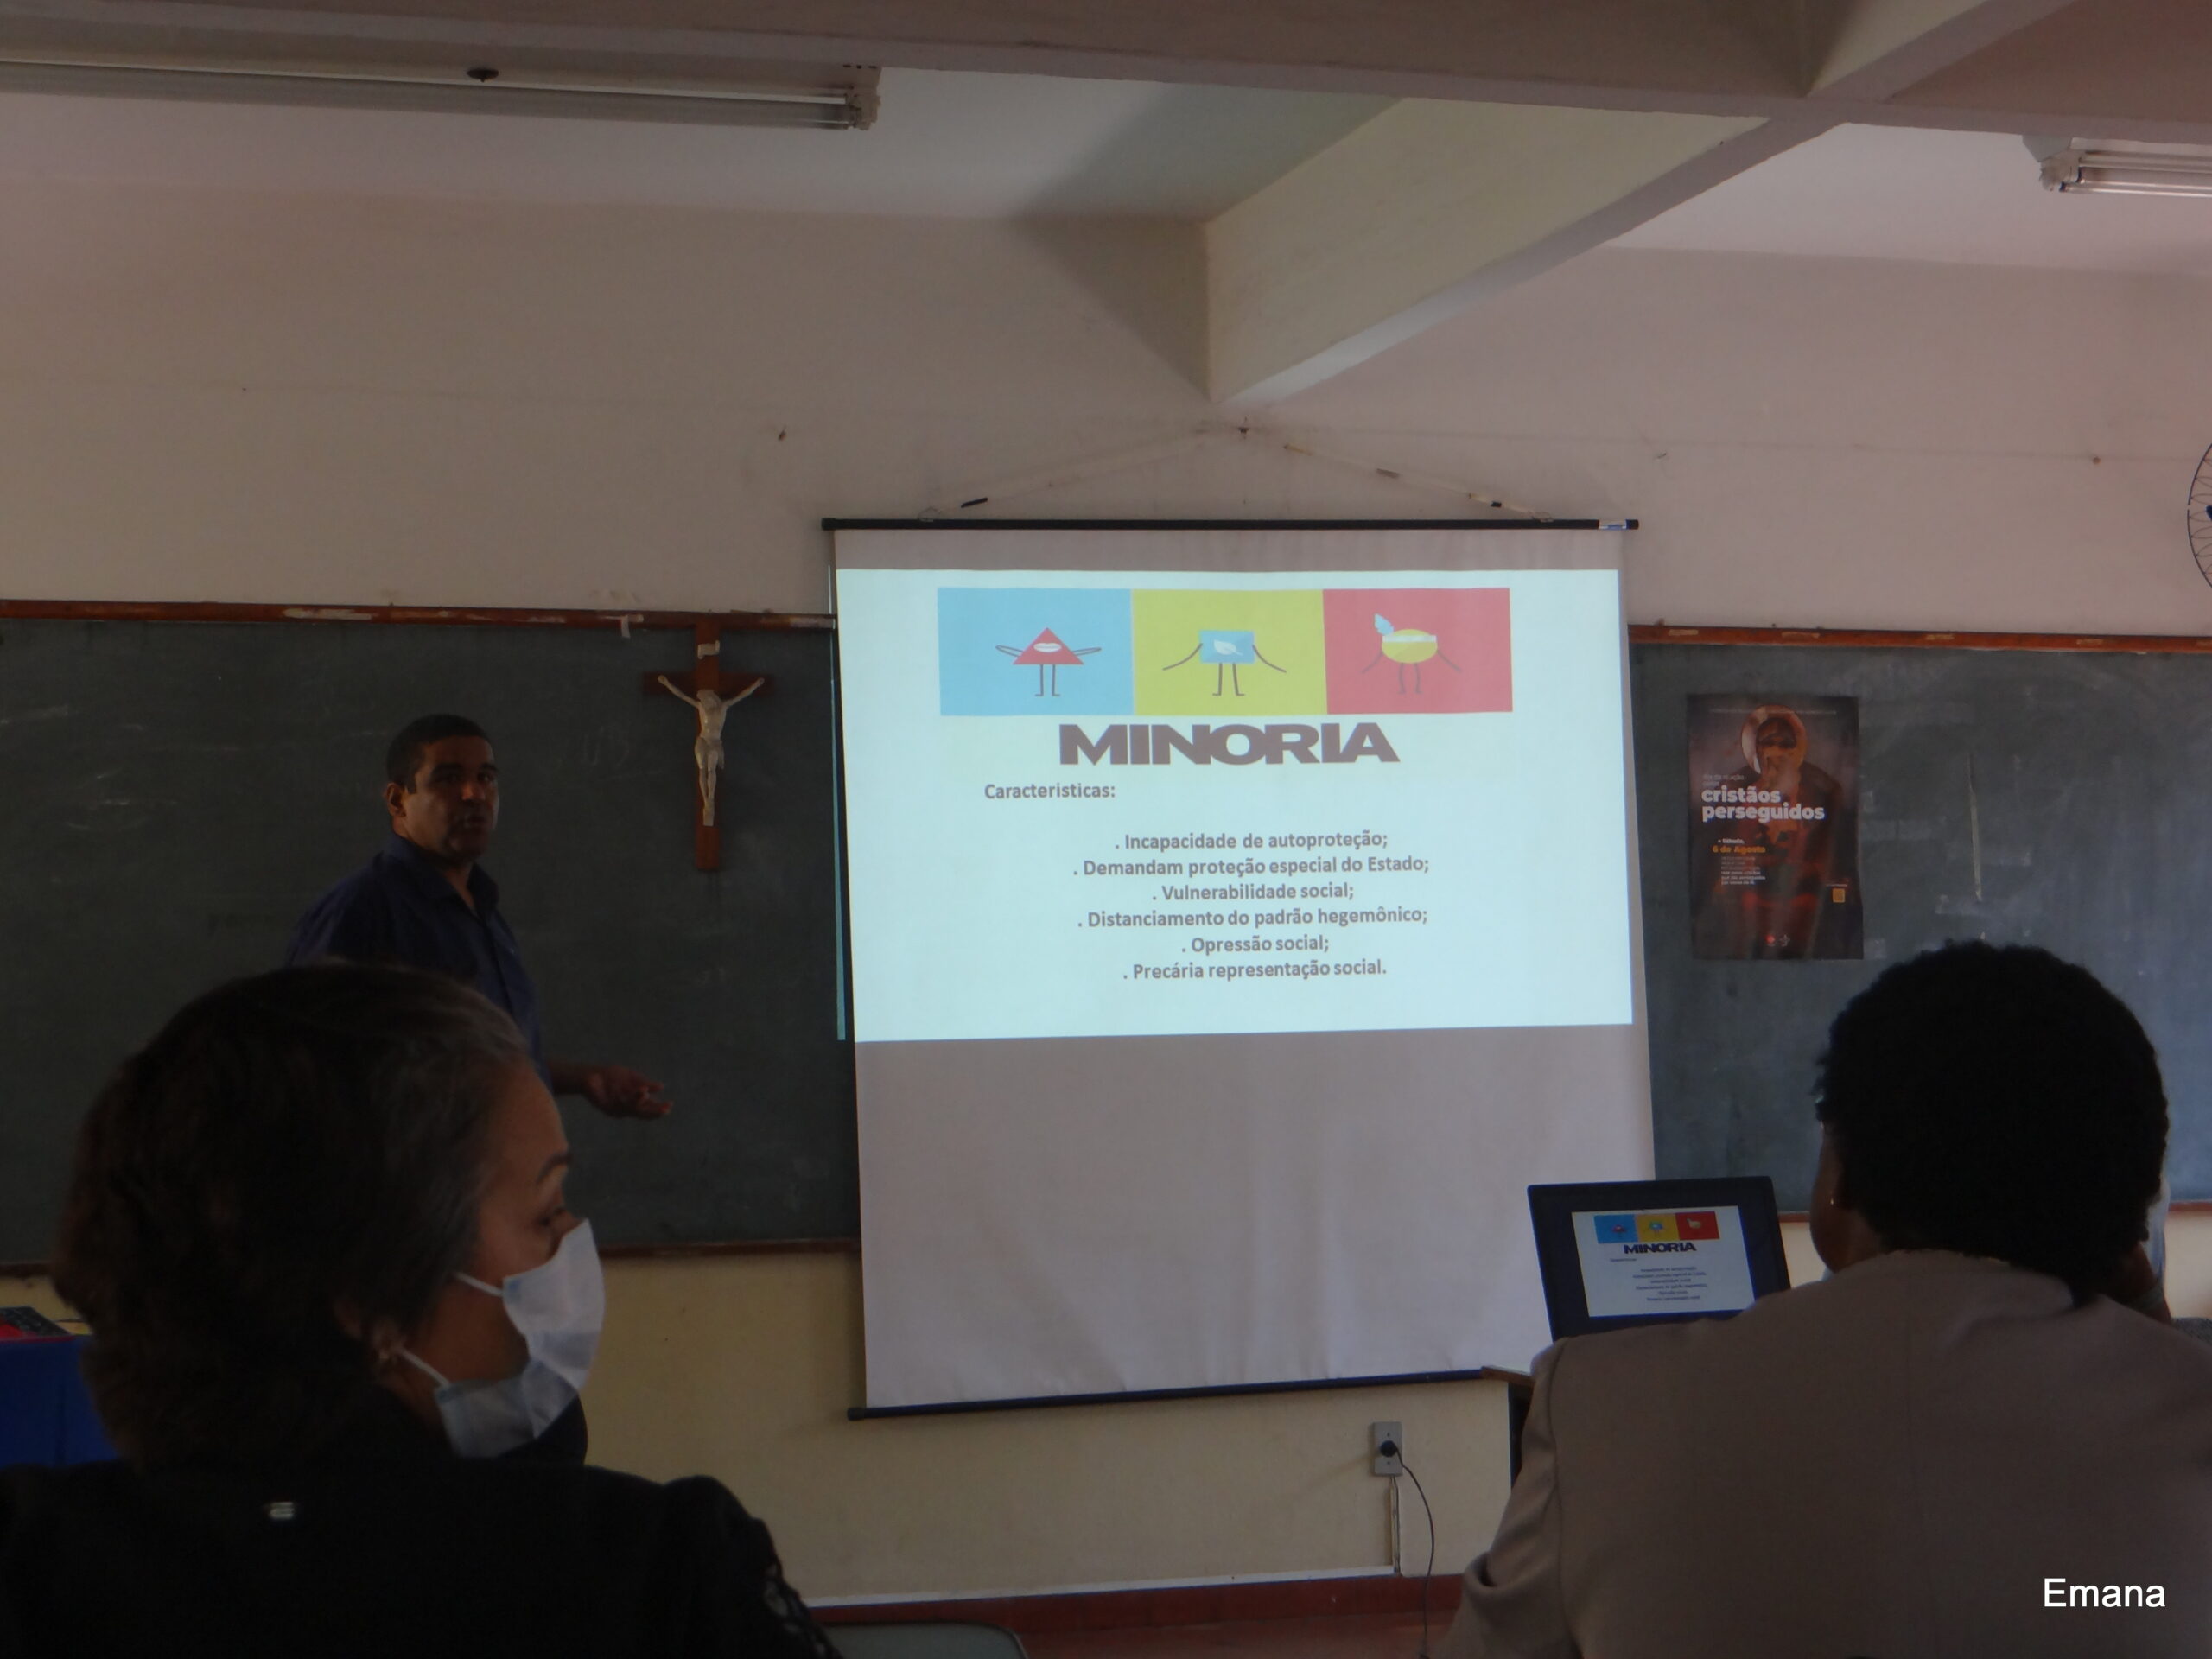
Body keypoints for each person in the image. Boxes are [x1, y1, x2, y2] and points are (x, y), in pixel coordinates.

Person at [0, 964, 837, 1657]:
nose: (571, 1244)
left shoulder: (31, 1565)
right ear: (371, 1300)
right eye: (545, 1211)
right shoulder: (651, 1576)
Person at [1440, 942, 2212, 1658]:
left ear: (1839, 1177)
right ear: (2130, 1211)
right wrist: (2150, 1319)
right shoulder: (2186, 1409)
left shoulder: (1604, 1407)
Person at [286, 714, 670, 1120]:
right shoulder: (362, 908)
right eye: (448, 778)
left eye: (486, 777)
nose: (474, 794)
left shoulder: (480, 907)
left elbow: (478, 1058)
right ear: (398, 800)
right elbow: (304, 1063)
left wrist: (583, 1079)